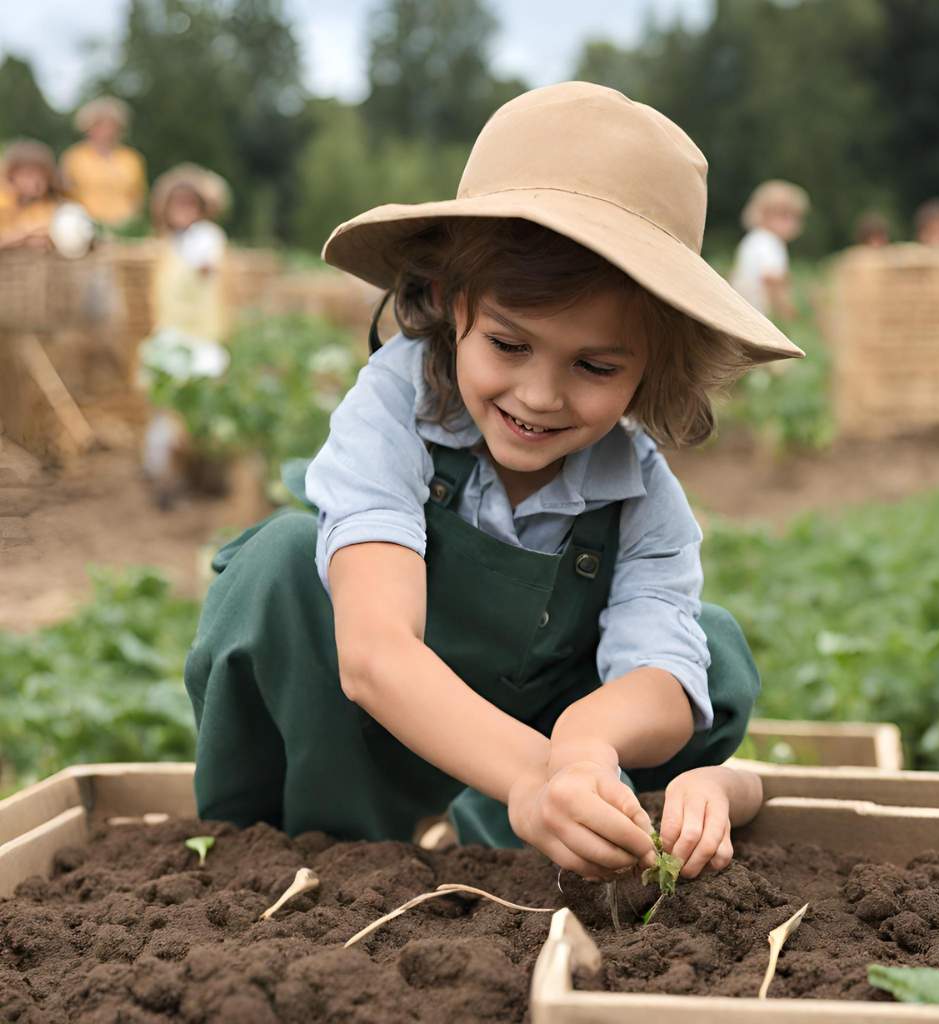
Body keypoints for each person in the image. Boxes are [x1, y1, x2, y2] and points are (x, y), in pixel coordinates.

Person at [185, 83, 799, 879]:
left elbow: (661, 678)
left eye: (595, 366)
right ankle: (289, 852)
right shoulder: (393, 409)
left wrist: (582, 749)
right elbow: (374, 654)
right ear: (450, 300)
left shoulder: (641, 497)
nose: (540, 396)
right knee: (277, 565)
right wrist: (529, 778)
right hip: (366, 747)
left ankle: (540, 832)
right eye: (509, 345)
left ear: (655, 365)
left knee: (704, 653)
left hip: (538, 761)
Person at [138, 164, 232, 507]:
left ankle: (202, 476)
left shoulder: (207, 238)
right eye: (177, 203)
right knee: (165, 411)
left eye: (191, 203)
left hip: (202, 338)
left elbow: (208, 265)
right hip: (170, 337)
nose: (183, 210)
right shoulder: (162, 245)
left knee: (201, 411)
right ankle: (164, 478)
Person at [59, 96, 147, 229]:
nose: (107, 129)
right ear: (88, 126)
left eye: (112, 124)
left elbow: (139, 197)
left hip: (125, 227)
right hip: (86, 225)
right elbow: (63, 193)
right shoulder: (73, 157)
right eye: (100, 124)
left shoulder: (133, 159)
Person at [729, 179, 809, 322]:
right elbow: (771, 279)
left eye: (795, 217)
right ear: (764, 214)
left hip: (742, 315)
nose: (792, 223)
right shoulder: (770, 243)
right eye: (784, 216)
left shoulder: (752, 239)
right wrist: (784, 310)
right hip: (760, 319)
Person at [0, 140, 64, 249]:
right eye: (28, 173)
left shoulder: (50, 207)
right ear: (11, 175)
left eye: (41, 174)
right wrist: (25, 237)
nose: (35, 181)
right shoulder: (3, 202)